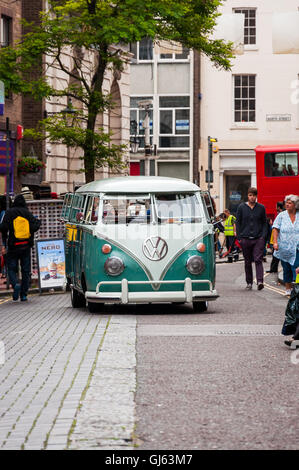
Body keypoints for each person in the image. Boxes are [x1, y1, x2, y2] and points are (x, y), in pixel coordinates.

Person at [0, 194, 41, 301]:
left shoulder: (9, 213)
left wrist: (5, 241)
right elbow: (35, 226)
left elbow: (3, 227)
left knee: (11, 268)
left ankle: (15, 284)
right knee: (25, 270)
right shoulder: (27, 213)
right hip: (26, 245)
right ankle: (24, 295)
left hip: (13, 245)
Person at [235, 187, 268, 290]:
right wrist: (239, 237)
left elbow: (264, 223)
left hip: (258, 238)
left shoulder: (261, 208)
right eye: (250, 195)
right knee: (247, 261)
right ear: (247, 196)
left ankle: (259, 282)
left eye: (253, 195)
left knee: (258, 259)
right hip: (245, 239)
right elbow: (238, 222)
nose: (252, 197)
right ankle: (249, 282)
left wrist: (263, 237)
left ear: (256, 196)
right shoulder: (241, 207)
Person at [271, 194, 299, 296]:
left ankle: (296, 288)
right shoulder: (281, 215)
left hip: (297, 248)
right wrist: (275, 242)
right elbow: (275, 229)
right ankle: (288, 288)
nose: (287, 204)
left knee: (296, 268)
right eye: (286, 202)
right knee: (286, 268)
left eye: (290, 203)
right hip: (284, 248)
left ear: (295, 205)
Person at [266, 201, 284, 273]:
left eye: (276, 206)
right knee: (275, 255)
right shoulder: (280, 214)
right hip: (277, 239)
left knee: (276, 255)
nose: (275, 207)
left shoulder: (281, 215)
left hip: (280, 239)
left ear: (279, 207)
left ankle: (273, 269)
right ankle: (273, 269)